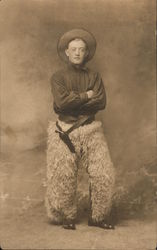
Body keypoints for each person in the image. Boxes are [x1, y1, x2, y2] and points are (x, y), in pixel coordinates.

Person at [45, 28, 115, 230]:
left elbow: (100, 102)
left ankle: (98, 216)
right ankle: (67, 216)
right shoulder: (57, 77)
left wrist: (73, 101)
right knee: (64, 176)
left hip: (91, 129)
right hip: (64, 130)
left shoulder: (95, 75)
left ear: (86, 53)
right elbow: (61, 103)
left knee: (103, 173)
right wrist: (86, 96)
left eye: (81, 49)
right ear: (66, 52)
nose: (77, 53)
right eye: (73, 49)